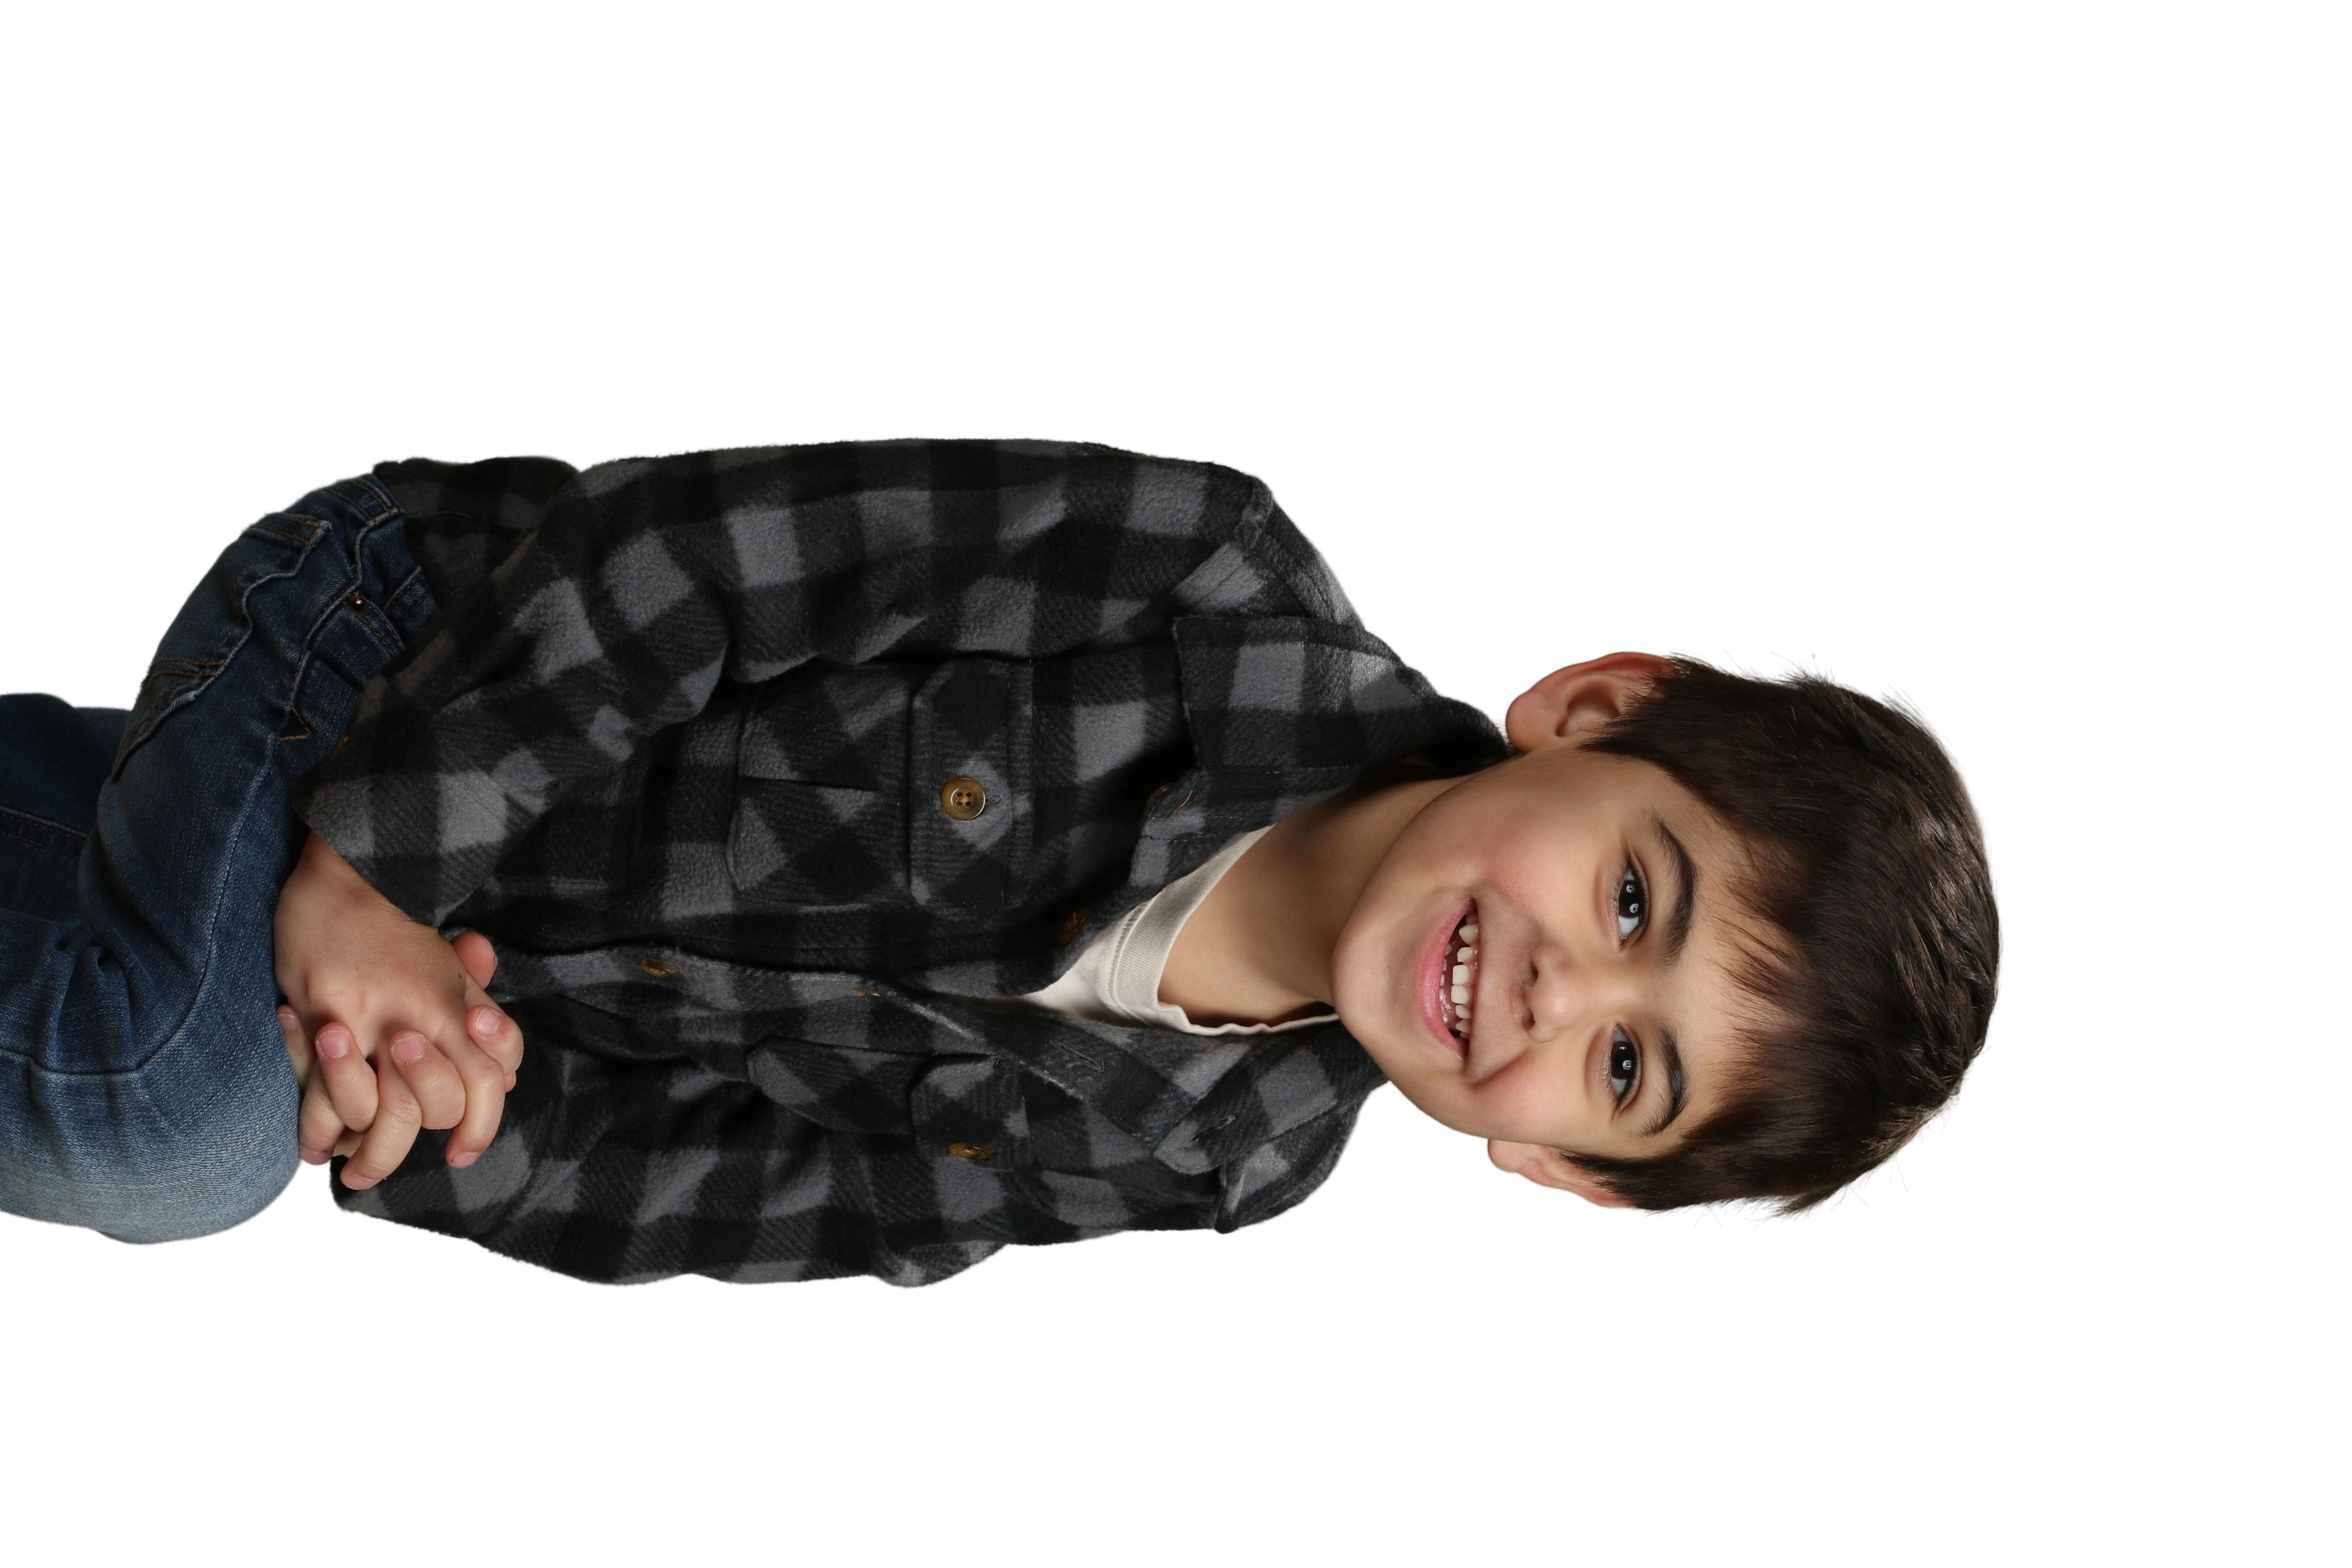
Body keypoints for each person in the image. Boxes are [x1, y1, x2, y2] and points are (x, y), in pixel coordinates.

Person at [8, 436, 2004, 1288]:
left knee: (149, 977)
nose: (1568, 989)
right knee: (171, 1132)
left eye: (1628, 1068)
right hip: (384, 650)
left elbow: (774, 1198)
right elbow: (687, 563)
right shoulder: (1208, 579)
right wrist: (375, 877)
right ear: (1595, 707)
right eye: (1636, 898)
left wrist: (430, 1125)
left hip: (420, 1002)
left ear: (1565, 1168)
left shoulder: (1225, 1160)